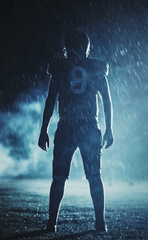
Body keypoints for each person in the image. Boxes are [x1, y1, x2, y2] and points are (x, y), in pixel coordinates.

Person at [38, 31, 114, 233]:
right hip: (89, 125)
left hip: (67, 125)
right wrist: (109, 128)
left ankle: (51, 222)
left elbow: (50, 101)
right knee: (94, 176)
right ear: (86, 47)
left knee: (59, 177)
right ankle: (100, 222)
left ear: (66, 47)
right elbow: (106, 101)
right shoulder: (97, 69)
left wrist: (44, 129)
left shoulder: (60, 70)